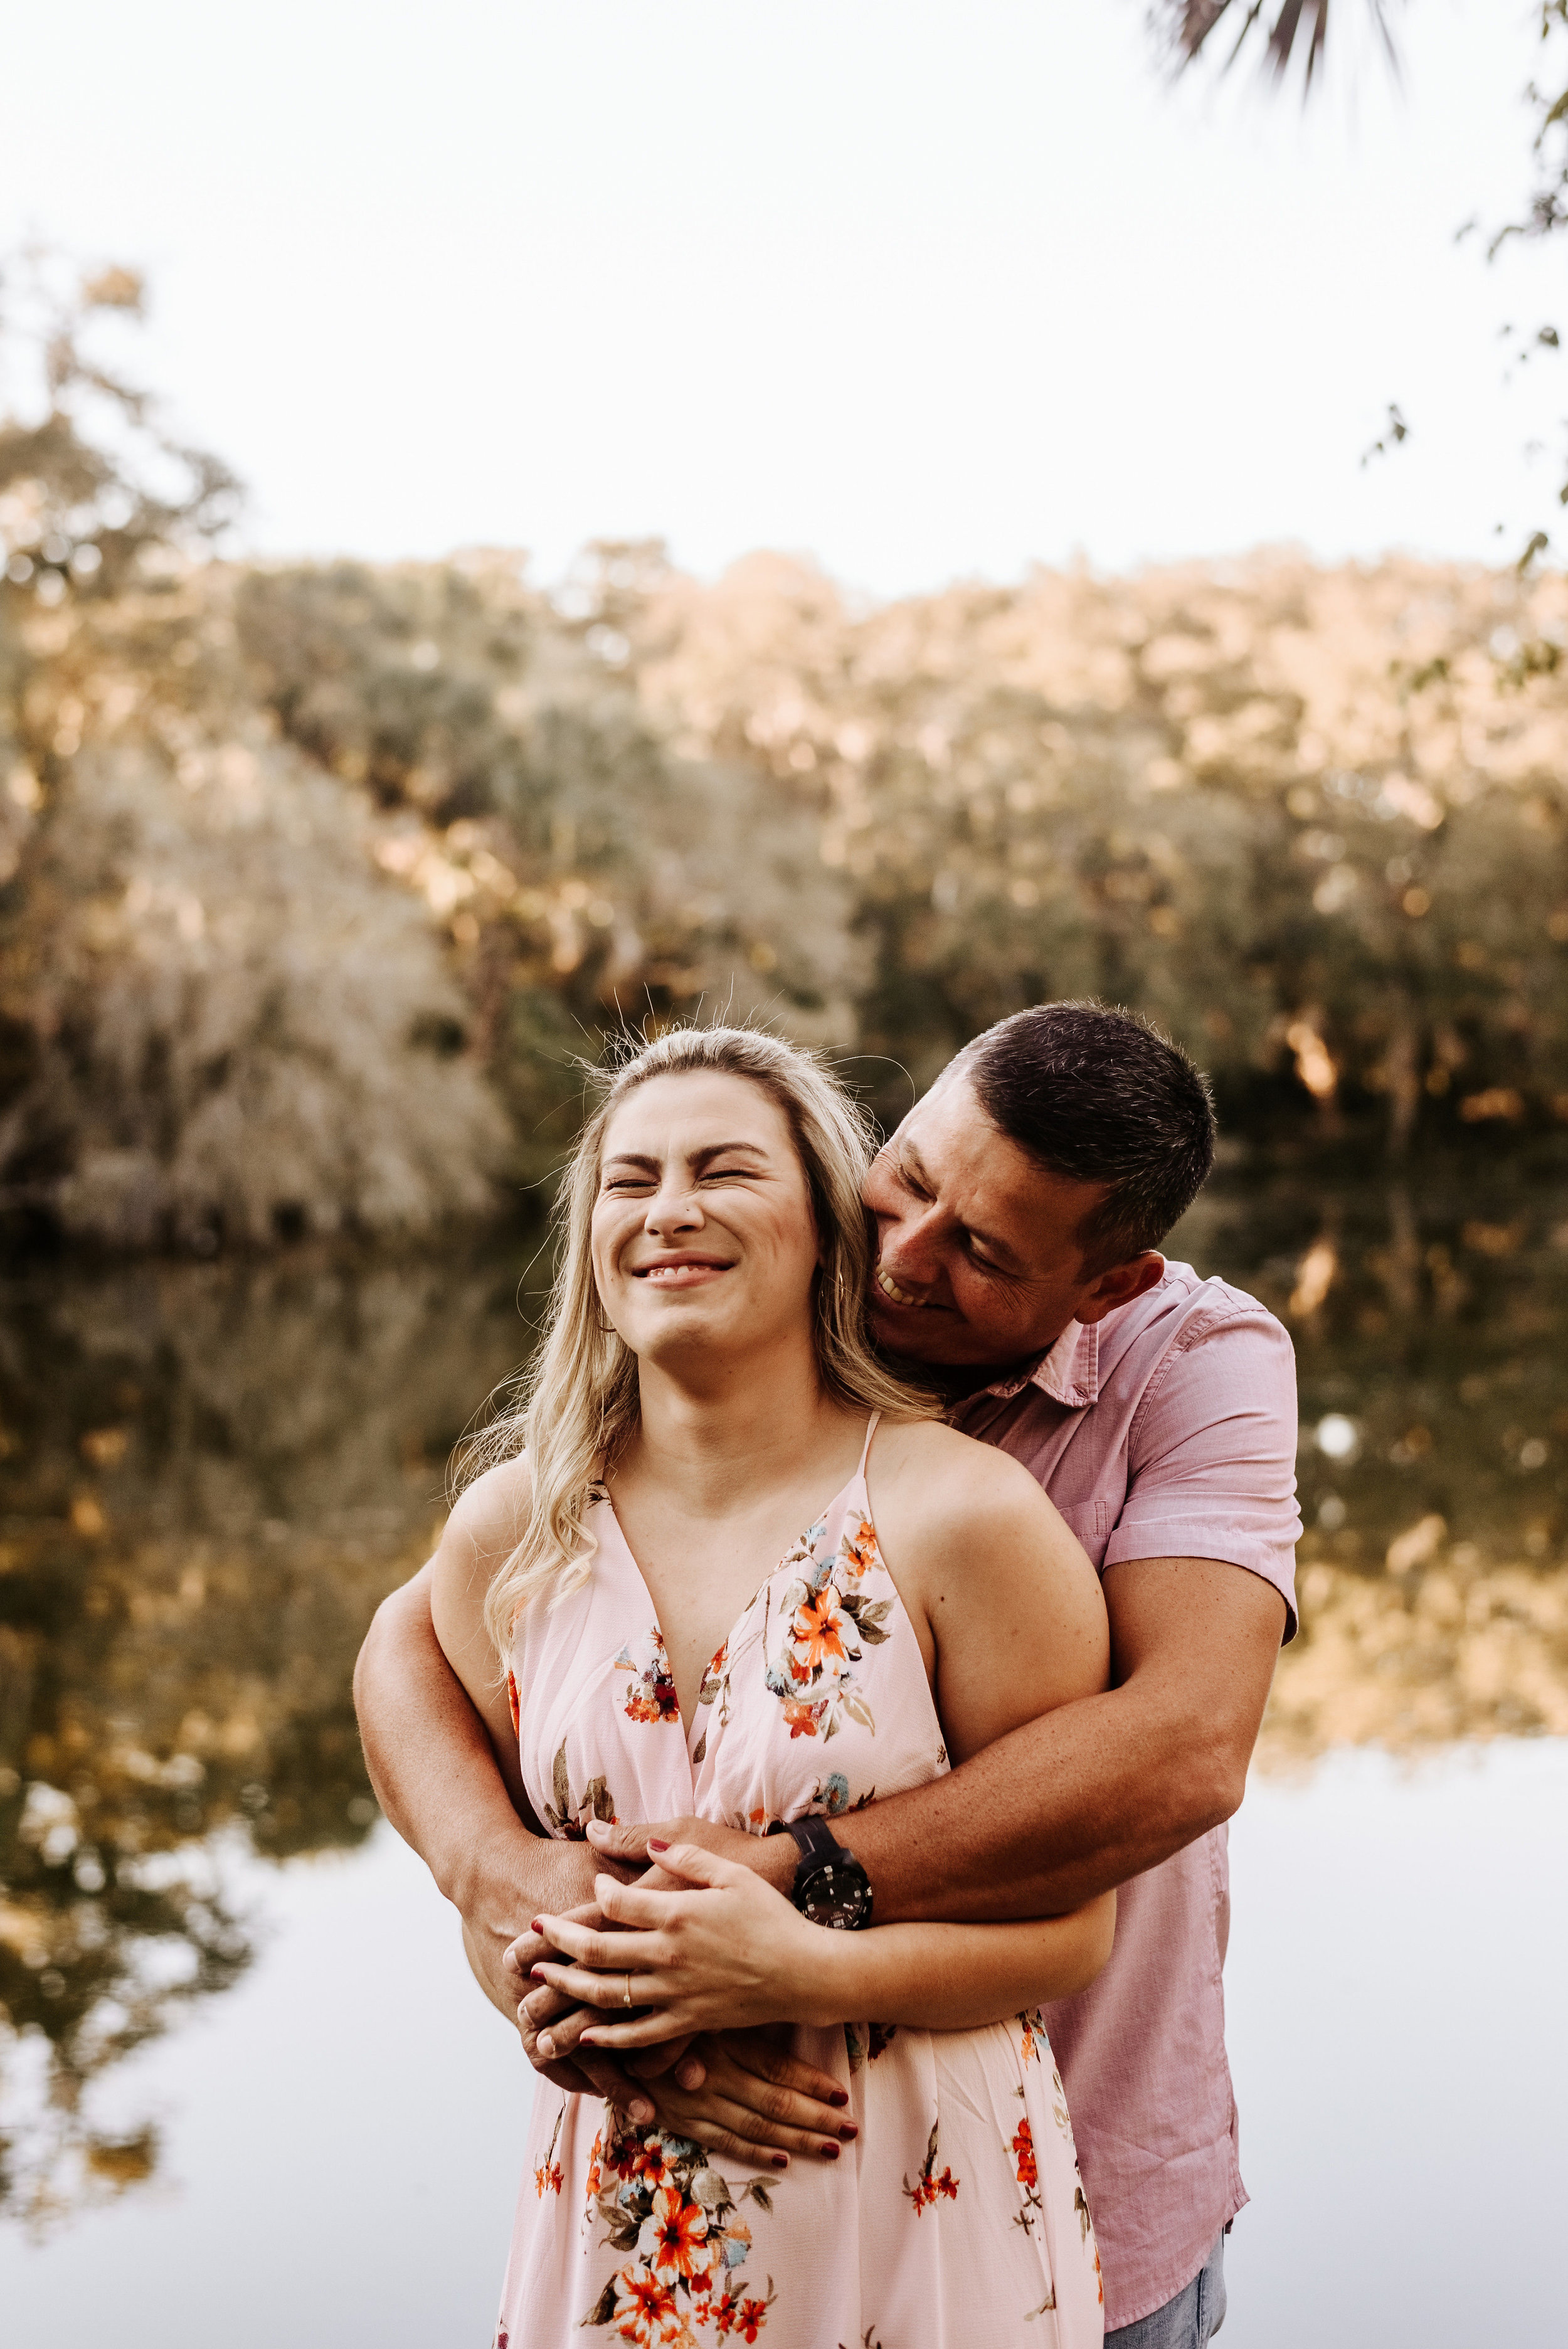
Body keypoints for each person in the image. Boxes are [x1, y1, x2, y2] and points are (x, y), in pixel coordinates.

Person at [356, 999, 1301, 2348]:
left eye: (977, 1250)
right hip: (652, 2212)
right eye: (905, 1180)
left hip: (1039, 2154)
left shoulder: (1181, 1373)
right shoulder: (615, 1447)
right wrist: (518, 1909)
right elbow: (411, 1644)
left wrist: (784, 1905)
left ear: (1105, 1283)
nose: (902, 1257)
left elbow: (1185, 1747)